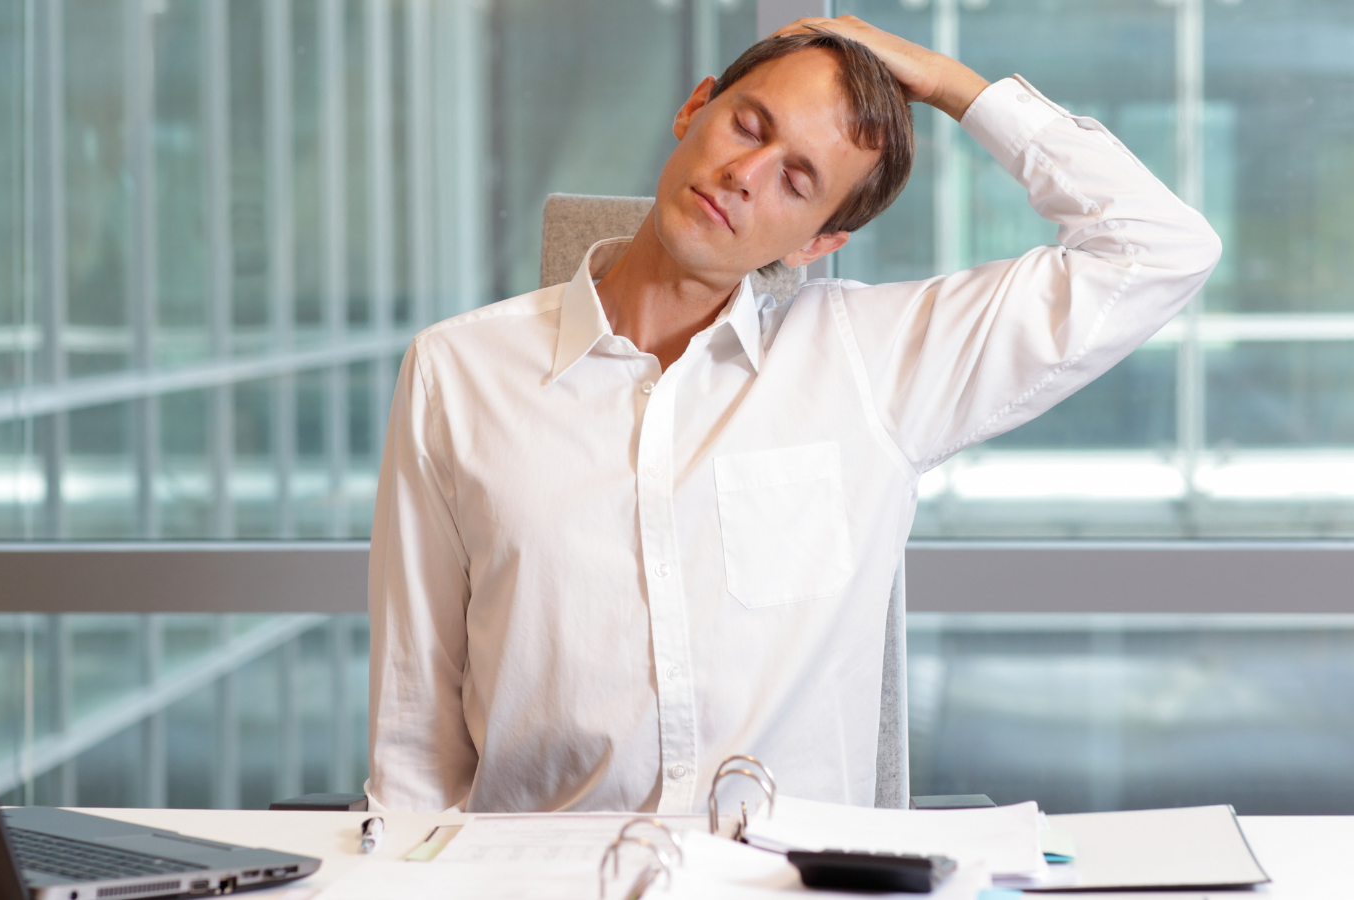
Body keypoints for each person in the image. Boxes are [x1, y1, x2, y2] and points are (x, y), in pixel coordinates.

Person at [365, 16, 1221, 813]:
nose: (746, 175)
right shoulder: (458, 371)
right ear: (694, 108)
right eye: (748, 126)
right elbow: (415, 729)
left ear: (817, 241)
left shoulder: (876, 362)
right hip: (539, 881)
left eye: (798, 178)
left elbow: (1160, 249)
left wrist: (955, 85)